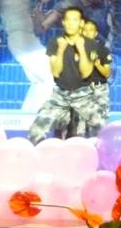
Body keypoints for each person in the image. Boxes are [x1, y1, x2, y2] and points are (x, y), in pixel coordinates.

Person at [28, 7, 106, 144]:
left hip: (84, 98)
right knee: (37, 131)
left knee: (89, 131)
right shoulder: (60, 44)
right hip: (62, 96)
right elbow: (57, 72)